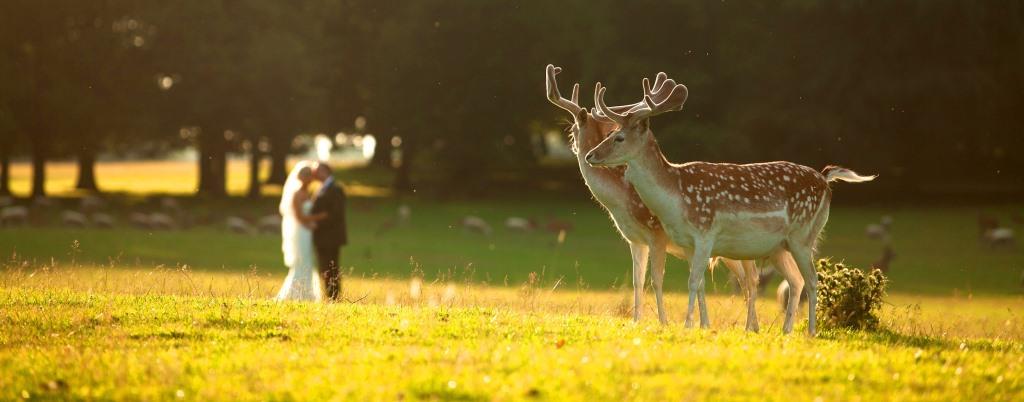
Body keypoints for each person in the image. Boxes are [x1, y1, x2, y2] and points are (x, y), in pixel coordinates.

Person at [275, 161, 327, 301]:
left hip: (307, 231)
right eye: (310, 176)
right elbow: (299, 216)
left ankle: (305, 294)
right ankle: (295, 295)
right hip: (302, 232)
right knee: (302, 261)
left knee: (307, 261)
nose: (312, 178)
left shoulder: (306, 192)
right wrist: (319, 217)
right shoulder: (297, 194)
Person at [311, 162, 348, 301]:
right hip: (323, 236)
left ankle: (334, 297)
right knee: (325, 267)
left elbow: (336, 213)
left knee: (331, 268)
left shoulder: (335, 189)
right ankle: (331, 296)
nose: (314, 175)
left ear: (325, 171)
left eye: (317, 171)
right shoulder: (320, 188)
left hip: (331, 236)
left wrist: (316, 223)